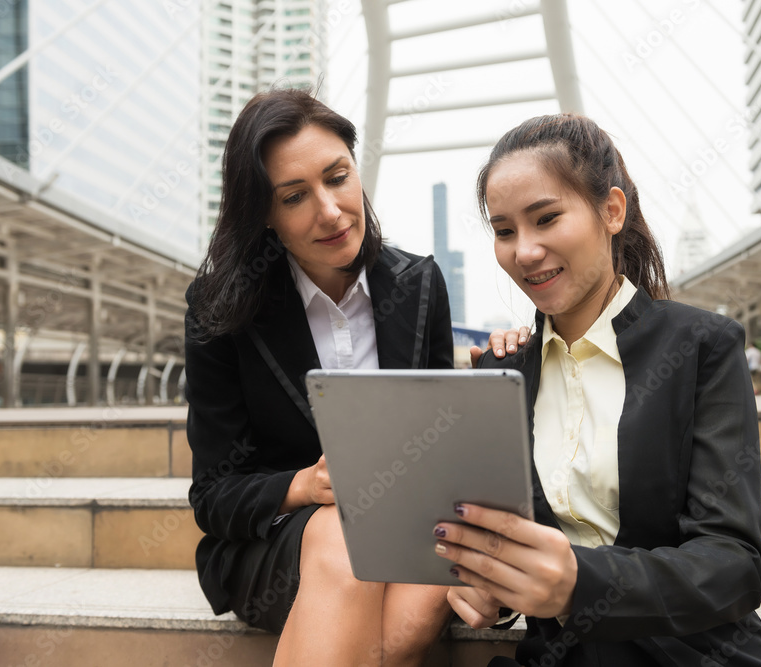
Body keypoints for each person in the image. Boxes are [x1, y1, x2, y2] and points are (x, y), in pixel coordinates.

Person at [183, 88, 524, 666]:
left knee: (418, 593)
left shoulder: (419, 286)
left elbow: (444, 449)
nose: (332, 211)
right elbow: (213, 496)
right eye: (295, 197)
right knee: (344, 537)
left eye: (337, 177)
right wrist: (306, 486)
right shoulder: (221, 310)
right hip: (277, 546)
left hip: (413, 530)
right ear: (265, 213)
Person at [433, 113, 761, 665]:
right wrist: (491, 589)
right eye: (504, 231)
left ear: (611, 211)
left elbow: (734, 564)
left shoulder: (701, 348)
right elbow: (505, 538)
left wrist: (579, 584)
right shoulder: (503, 375)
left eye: (546, 218)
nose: (524, 251)